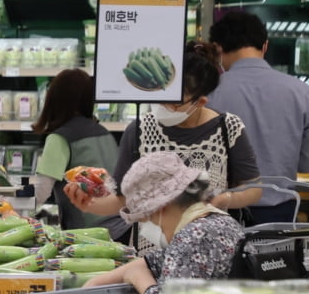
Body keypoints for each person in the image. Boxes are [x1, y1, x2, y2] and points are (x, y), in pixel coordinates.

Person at [65, 40, 263, 230]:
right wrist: (88, 203)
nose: (163, 107)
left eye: (173, 103)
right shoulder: (139, 130)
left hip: (211, 248)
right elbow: (123, 200)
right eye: (160, 98)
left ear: (200, 102)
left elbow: (253, 188)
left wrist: (225, 199)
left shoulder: (228, 128)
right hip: (152, 250)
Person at [82, 152, 244, 294]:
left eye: (148, 218)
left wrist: (140, 281)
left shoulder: (192, 237)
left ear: (161, 209)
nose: (147, 227)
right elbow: (152, 261)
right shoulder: (221, 222)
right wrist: (94, 282)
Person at [208, 11, 309, 224]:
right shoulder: (302, 92)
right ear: (265, 46)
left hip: (221, 211)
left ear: (218, 49)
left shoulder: (208, 94)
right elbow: (306, 162)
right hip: (280, 212)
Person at [30, 68, 127, 238]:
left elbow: (41, 192)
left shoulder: (60, 137)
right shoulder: (104, 132)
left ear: (54, 98)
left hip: (87, 233)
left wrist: (10, 209)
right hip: (121, 226)